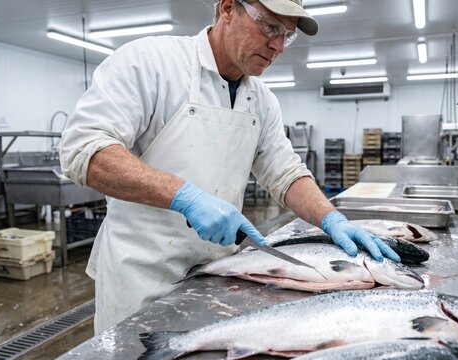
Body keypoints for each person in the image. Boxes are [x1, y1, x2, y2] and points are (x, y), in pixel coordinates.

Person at [60, 0, 401, 334]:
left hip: (221, 274)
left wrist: (331, 218)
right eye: (270, 27)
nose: (278, 45)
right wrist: (185, 197)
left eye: (288, 34)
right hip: (142, 279)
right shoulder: (151, 62)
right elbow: (83, 149)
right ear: (227, 9)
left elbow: (285, 173)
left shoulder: (262, 100)